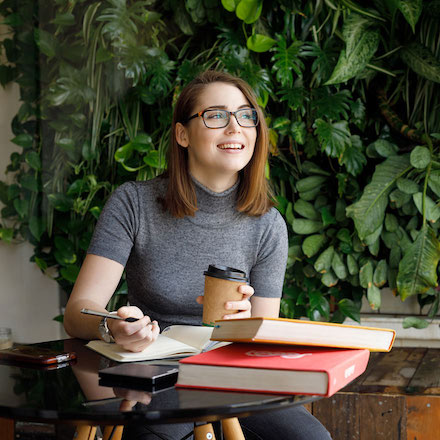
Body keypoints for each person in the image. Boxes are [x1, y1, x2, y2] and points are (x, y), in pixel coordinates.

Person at [64, 70, 331, 439]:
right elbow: (79, 309)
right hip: (154, 372)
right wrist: (112, 326)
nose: (235, 127)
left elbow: (264, 336)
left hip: (229, 374)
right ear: (182, 134)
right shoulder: (134, 203)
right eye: (216, 115)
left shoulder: (268, 224)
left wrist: (247, 321)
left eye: (246, 115)